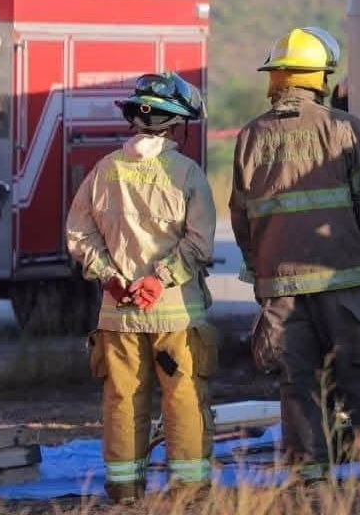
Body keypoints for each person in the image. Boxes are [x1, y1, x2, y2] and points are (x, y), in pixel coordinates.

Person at [231, 26, 360, 470]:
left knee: (298, 386)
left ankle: (311, 484)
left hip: (282, 292)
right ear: (320, 78)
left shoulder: (250, 137)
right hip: (347, 283)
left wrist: (264, 272)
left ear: (278, 78)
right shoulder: (344, 128)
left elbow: (242, 216)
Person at [65, 72, 217, 503]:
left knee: (123, 400)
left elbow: (78, 235)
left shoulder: (104, 170)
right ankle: (188, 492)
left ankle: (125, 491)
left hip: (118, 314)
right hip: (176, 314)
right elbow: (200, 243)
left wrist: (110, 276)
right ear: (176, 124)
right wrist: (160, 279)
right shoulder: (187, 173)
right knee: (183, 400)